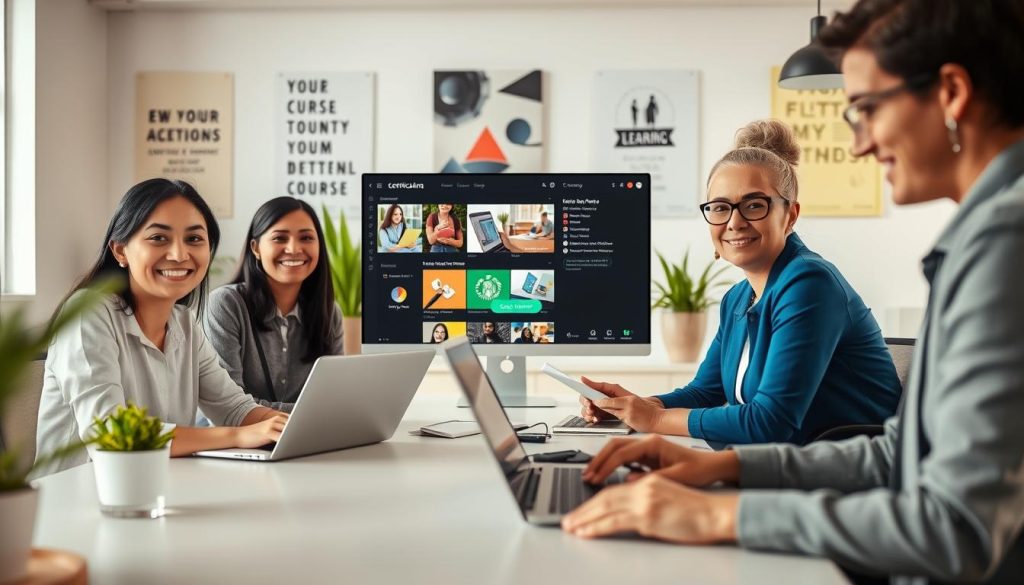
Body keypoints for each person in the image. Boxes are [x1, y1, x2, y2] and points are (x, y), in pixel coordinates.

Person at [563, 2, 1024, 584]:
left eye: (866, 109)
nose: (858, 145)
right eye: (720, 208)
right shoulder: (981, 240)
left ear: (952, 93)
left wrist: (722, 514)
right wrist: (719, 467)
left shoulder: (1005, 244)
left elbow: (955, 530)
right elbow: (896, 453)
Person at [579, 119, 900, 445]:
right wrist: (638, 405)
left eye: (754, 205)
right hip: (779, 469)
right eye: (720, 207)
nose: (734, 222)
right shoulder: (738, 298)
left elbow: (769, 421)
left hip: (846, 481)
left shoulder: (810, 284)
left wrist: (656, 419)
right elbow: (705, 391)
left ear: (790, 216)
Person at [34, 179, 287, 478]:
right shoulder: (88, 313)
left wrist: (289, 424)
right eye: (158, 238)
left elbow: (233, 409)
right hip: (74, 503)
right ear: (120, 251)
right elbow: (110, 435)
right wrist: (239, 436)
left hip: (157, 493)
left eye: (194, 239)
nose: (179, 255)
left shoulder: (184, 323)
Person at [204, 197, 344, 412]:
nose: (294, 249)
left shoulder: (329, 312)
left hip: (304, 439)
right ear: (256, 248)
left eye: (306, 237)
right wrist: (312, 414)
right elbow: (228, 407)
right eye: (280, 238)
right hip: (233, 442)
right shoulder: (225, 304)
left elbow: (334, 397)